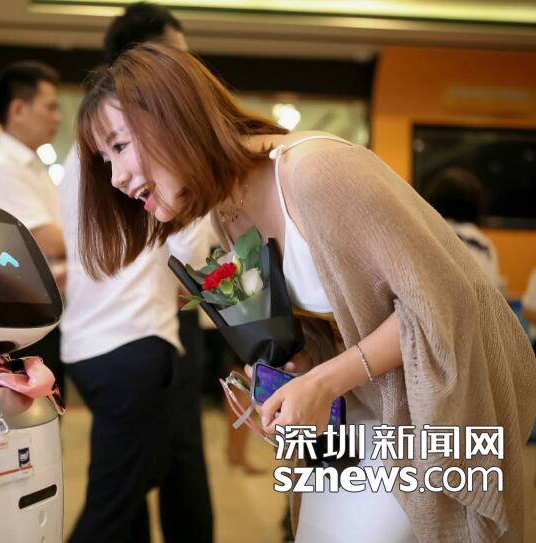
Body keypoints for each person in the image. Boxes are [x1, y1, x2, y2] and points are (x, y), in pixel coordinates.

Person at [74, 43, 536, 542]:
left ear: (175, 117)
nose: (116, 178)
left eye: (120, 146)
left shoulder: (317, 171)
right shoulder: (228, 211)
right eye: (105, 159)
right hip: (365, 406)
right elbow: (338, 325)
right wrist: (292, 380)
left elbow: (445, 304)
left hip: (436, 403)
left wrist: (324, 382)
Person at [59, 4, 213, 542]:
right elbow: (195, 256)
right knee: (116, 504)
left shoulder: (84, 152)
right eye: (176, 57)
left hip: (91, 343)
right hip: (133, 341)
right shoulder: (139, 153)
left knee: (130, 498)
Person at [0, 61, 66, 395]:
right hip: (14, 317)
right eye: (50, 107)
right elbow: (49, 241)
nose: (58, 117)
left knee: (45, 408)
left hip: (39, 311)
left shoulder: (32, 166)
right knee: (24, 409)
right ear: (19, 109)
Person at [423, 167, 504, 291]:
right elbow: (495, 294)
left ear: (434, 199)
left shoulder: (427, 234)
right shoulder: (484, 246)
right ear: (477, 205)